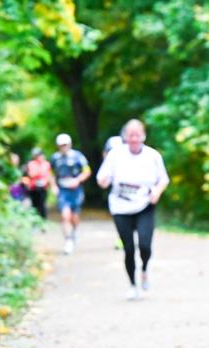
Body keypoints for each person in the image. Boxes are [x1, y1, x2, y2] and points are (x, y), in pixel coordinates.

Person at [96, 119, 169, 300]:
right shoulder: (115, 154)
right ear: (125, 137)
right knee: (128, 249)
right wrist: (103, 181)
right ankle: (132, 285)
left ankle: (144, 270)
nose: (134, 138)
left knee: (145, 246)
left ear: (143, 136)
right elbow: (102, 177)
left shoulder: (153, 156)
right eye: (130, 135)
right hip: (121, 208)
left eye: (137, 135)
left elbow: (163, 179)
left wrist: (157, 192)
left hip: (145, 205)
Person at [51, 133, 91, 255]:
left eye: (65, 145)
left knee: (74, 216)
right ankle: (68, 240)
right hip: (63, 190)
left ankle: (75, 231)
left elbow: (87, 171)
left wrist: (78, 180)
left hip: (75, 190)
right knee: (65, 215)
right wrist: (53, 186)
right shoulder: (55, 158)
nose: (63, 147)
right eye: (61, 145)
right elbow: (50, 173)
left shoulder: (77, 156)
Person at [22, 147, 52, 221]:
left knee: (42, 205)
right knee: (34, 205)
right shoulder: (31, 163)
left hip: (43, 187)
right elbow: (31, 174)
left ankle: (43, 221)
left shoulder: (46, 164)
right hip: (33, 187)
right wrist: (40, 173)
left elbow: (48, 175)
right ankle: (35, 221)